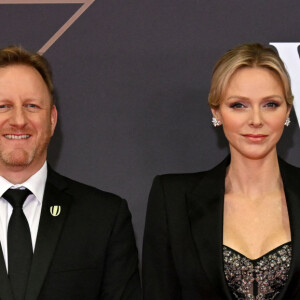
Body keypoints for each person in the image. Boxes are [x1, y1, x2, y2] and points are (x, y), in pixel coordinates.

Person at [142, 43, 300, 299]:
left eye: (270, 104)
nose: (256, 119)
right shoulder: (173, 200)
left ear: (287, 111)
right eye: (239, 105)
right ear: (216, 112)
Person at [0, 46, 141, 300]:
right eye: (3, 106)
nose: (18, 120)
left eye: (32, 106)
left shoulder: (104, 217)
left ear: (52, 119)